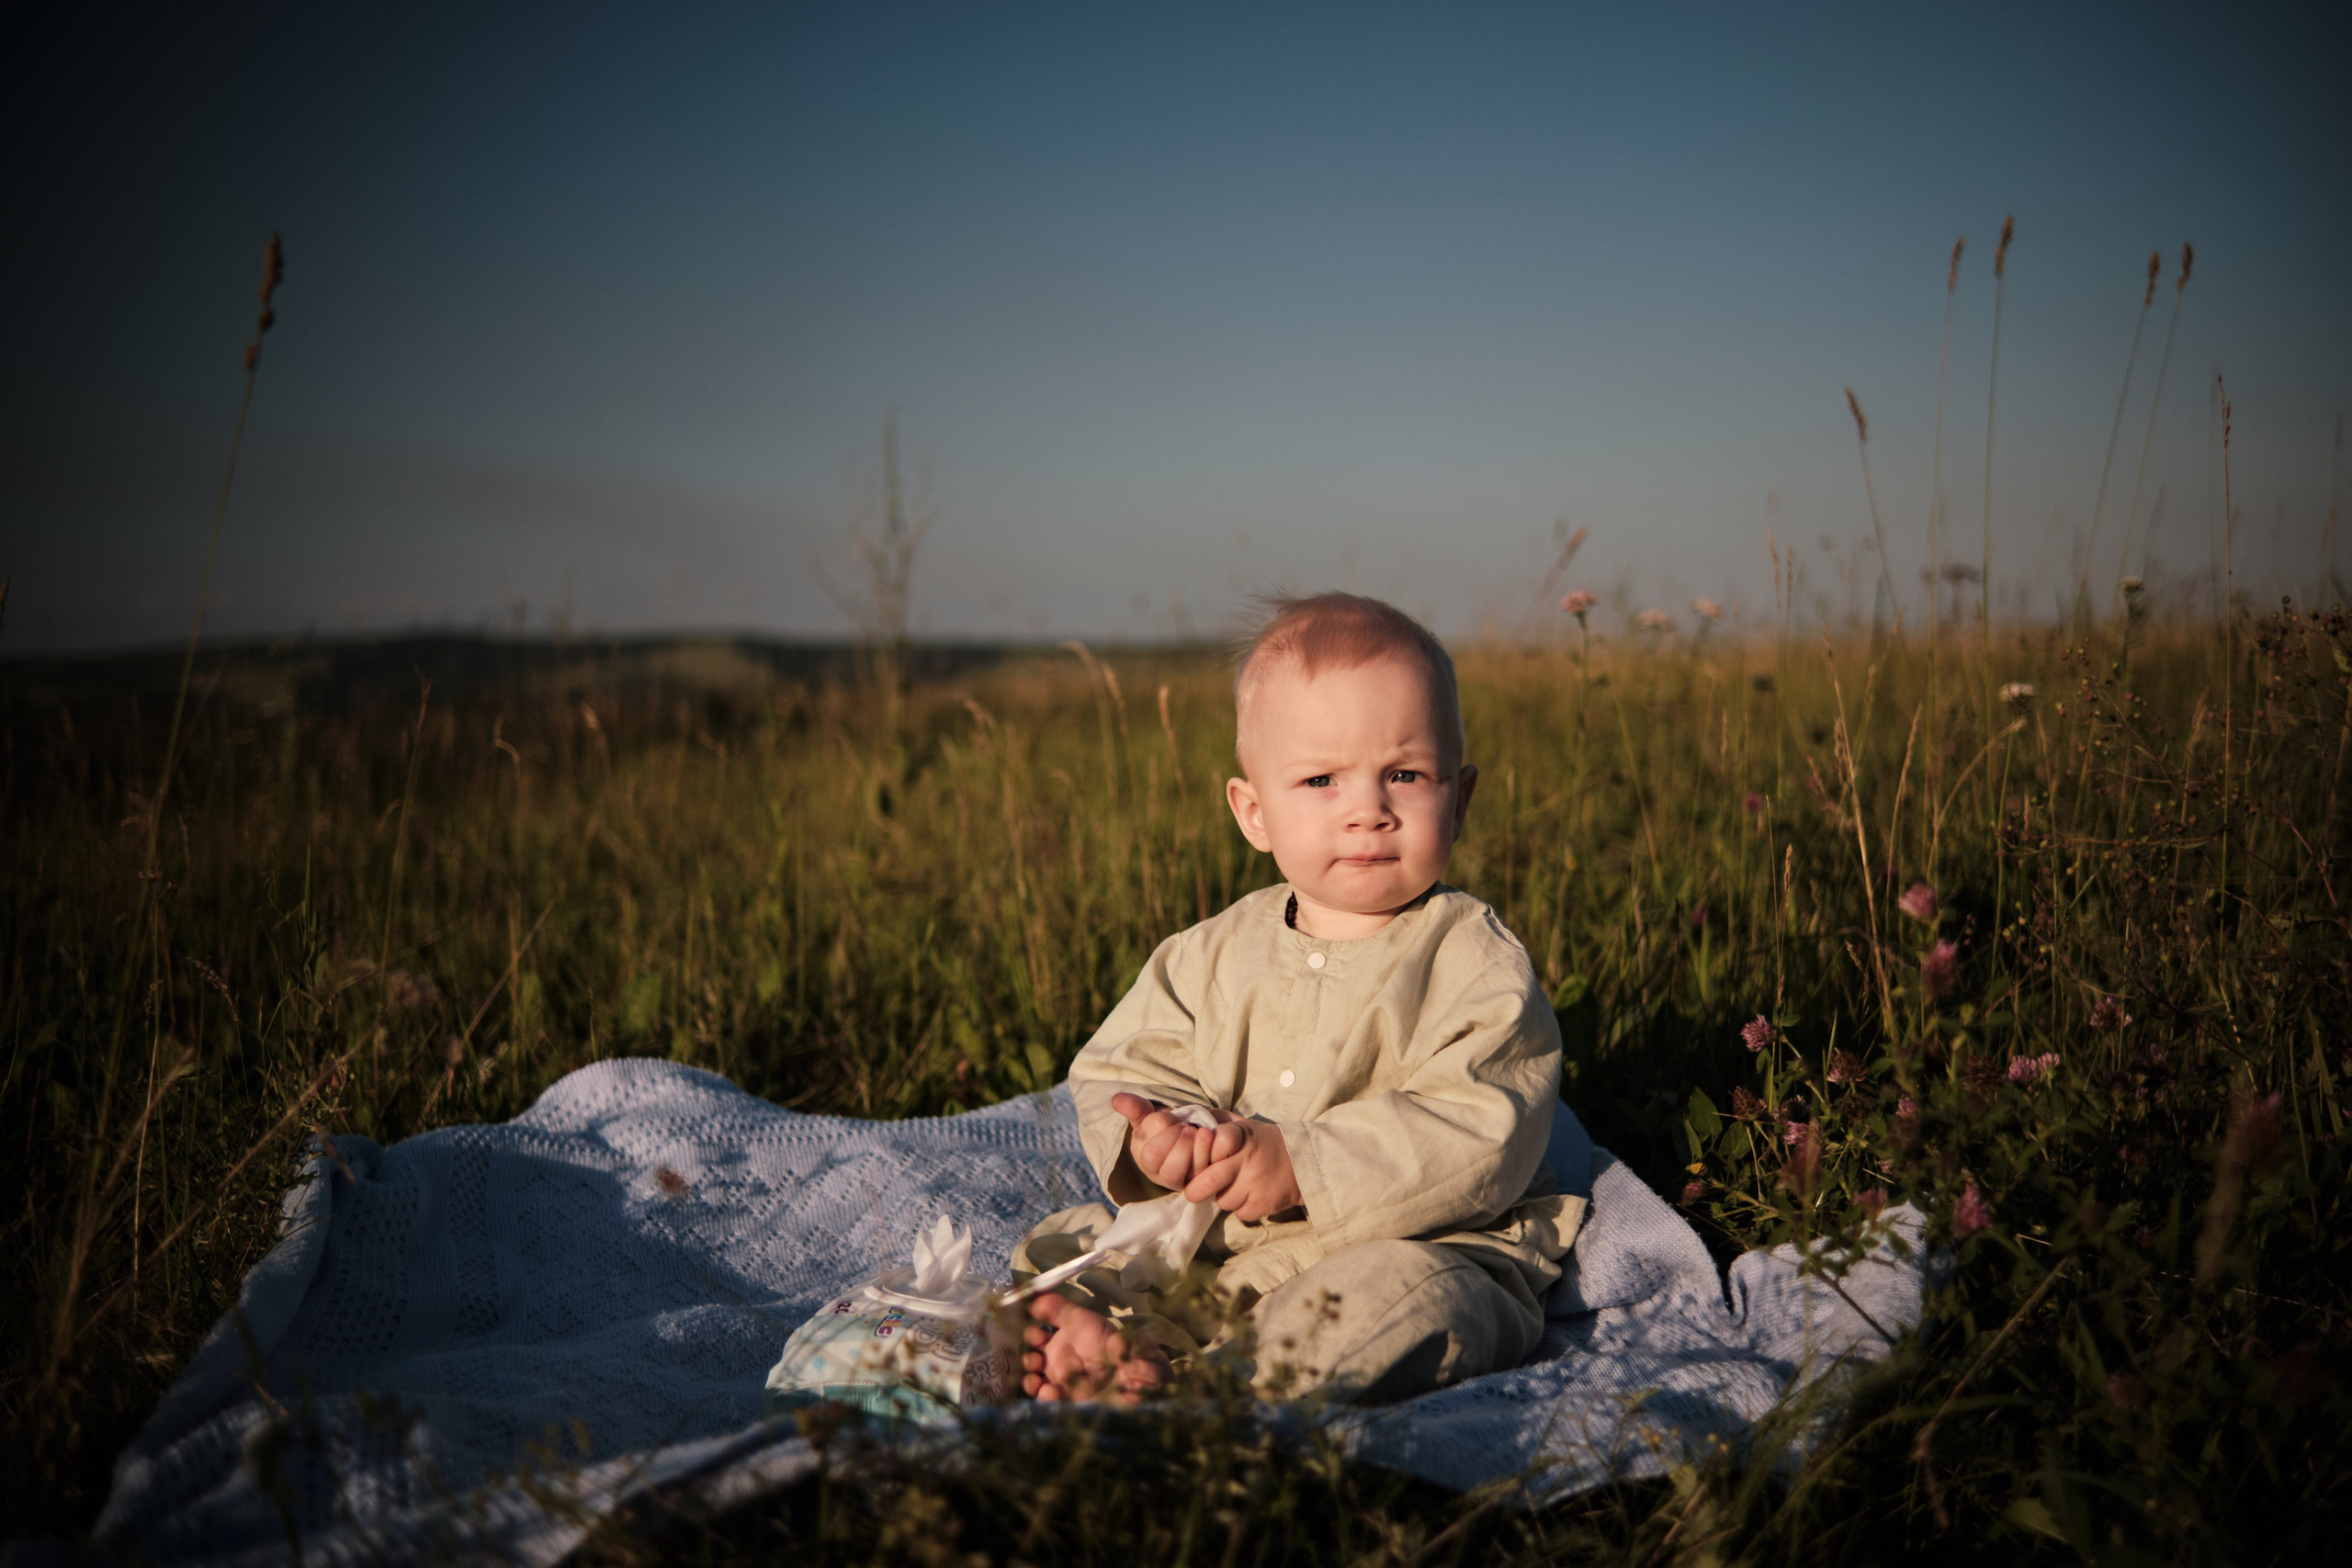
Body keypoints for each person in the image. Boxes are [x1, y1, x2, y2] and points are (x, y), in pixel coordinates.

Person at [1014, 592, 1585, 1404]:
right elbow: (1123, 1065)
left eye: (1404, 775)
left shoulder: (1472, 960)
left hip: (1416, 1238)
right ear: (1254, 812)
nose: (1367, 811)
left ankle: (1210, 1395)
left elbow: (1485, 1126)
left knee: (1410, 1299)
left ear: (1458, 799)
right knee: (1074, 1248)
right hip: (1218, 1246)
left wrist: (1304, 1164)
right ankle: (1108, 1348)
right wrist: (1157, 1139)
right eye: (1320, 779)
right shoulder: (1207, 953)